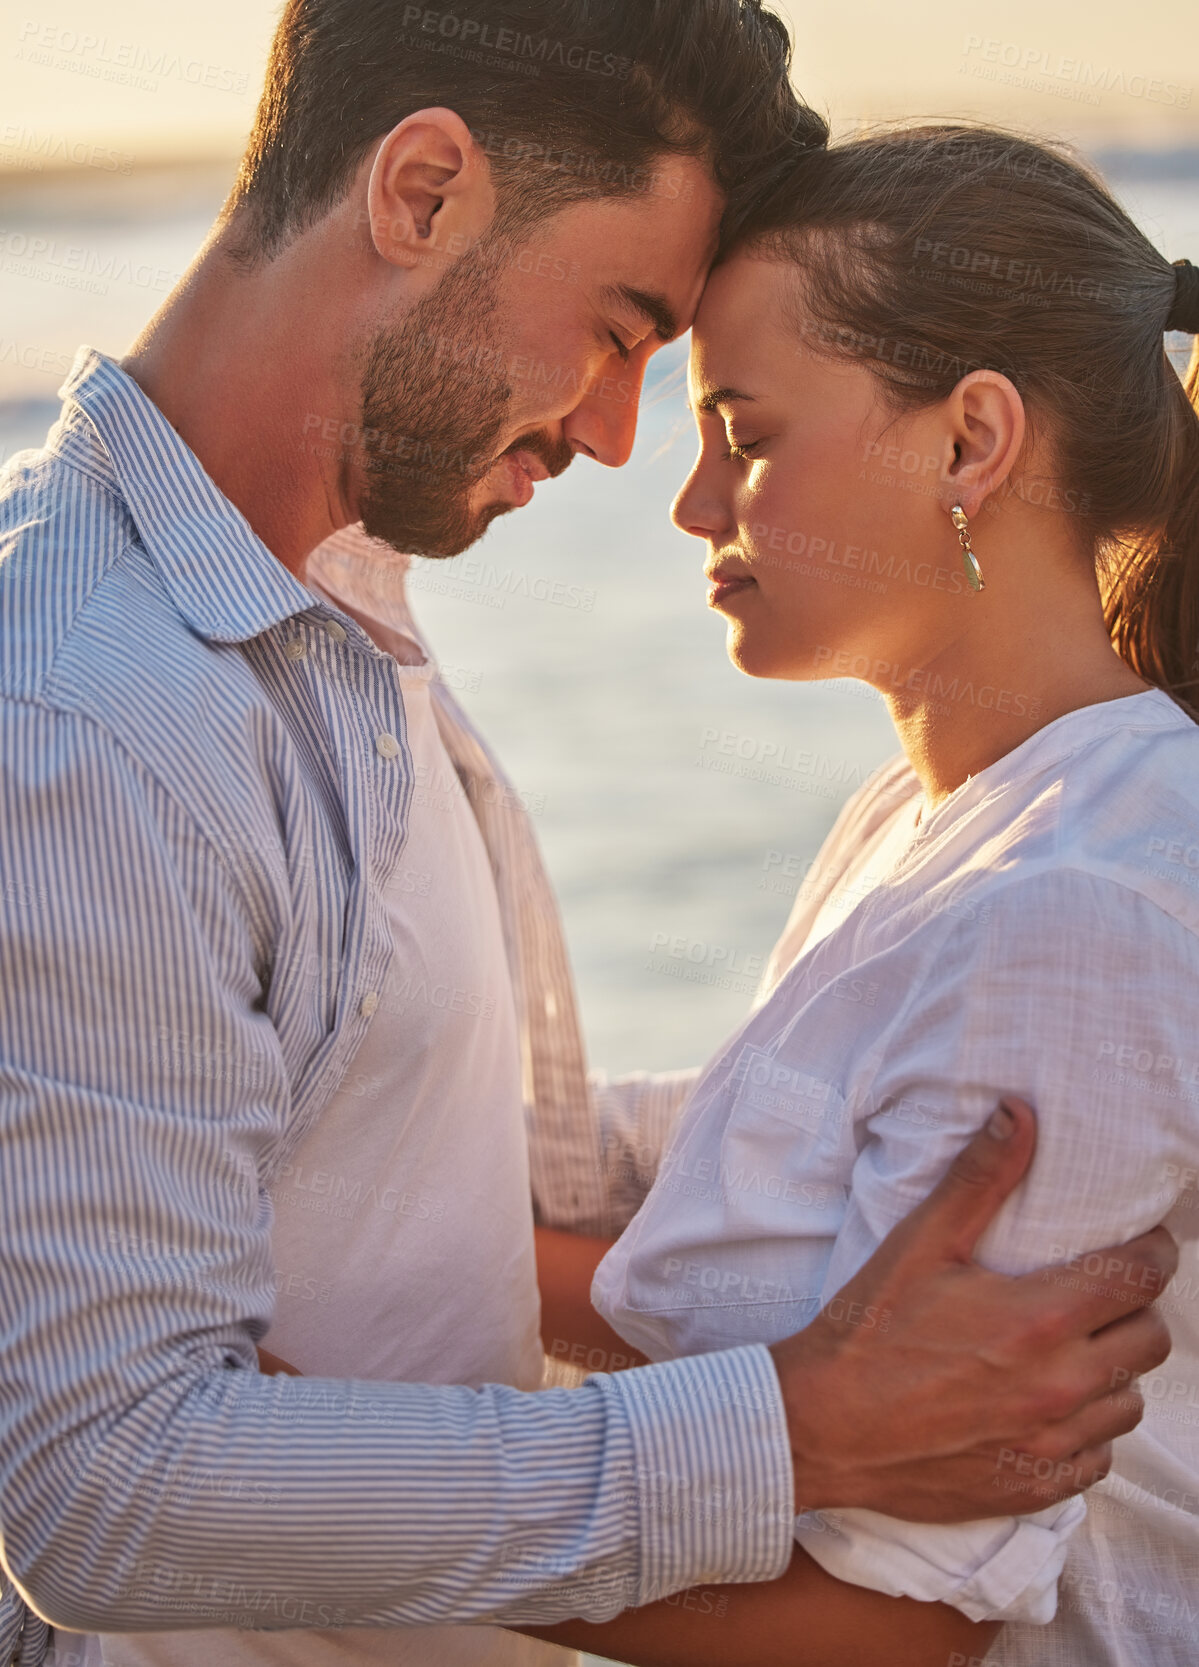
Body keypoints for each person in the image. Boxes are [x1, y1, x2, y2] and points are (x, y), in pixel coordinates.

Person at [0, 2, 1174, 1662]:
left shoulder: (333, 617)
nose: (629, 441)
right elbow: (98, 1489)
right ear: (421, 191)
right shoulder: (91, 715)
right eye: (624, 329)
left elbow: (483, 1158)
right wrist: (790, 1429)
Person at [522, 126, 1199, 1665]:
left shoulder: (1076, 912)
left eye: (743, 437)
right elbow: (715, 1165)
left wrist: (329, 1532)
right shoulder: (943, 813)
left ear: (971, 442)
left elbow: (898, 1628)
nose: (697, 508)